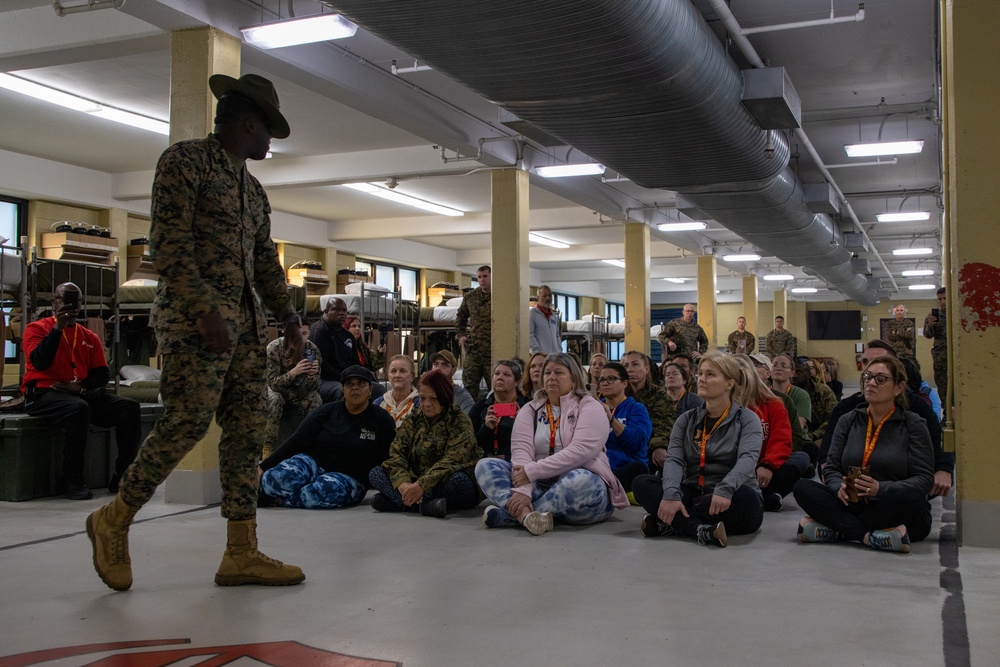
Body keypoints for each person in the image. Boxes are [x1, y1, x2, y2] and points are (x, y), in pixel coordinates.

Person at [86, 73, 305, 590]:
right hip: (194, 324)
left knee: (249, 430)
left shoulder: (253, 192)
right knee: (186, 424)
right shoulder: (185, 163)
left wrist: (291, 316)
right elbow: (167, 244)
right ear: (248, 122)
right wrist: (204, 308)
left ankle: (240, 551)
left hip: (245, 331)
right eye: (267, 130)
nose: (269, 141)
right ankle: (113, 519)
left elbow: (264, 263)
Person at [475, 353, 628, 535]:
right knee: (485, 466)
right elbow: (521, 451)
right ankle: (530, 515)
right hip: (538, 486)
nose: (551, 377)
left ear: (574, 380)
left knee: (581, 480)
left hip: (581, 494)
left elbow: (579, 452)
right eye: (547, 373)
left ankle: (516, 515)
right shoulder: (530, 409)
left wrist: (532, 472)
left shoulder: (590, 407)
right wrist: (523, 490)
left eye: (559, 373)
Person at [793, 356, 934, 553]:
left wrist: (880, 488)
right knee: (802, 487)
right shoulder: (847, 420)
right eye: (867, 377)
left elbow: (924, 479)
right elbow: (831, 467)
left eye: (881, 379)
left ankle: (839, 530)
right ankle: (868, 536)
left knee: (914, 499)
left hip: (891, 503)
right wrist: (837, 488)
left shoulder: (913, 424)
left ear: (899, 387)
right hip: (851, 502)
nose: (871, 383)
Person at [22, 282, 141, 500]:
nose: (69, 305)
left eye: (74, 300)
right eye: (64, 299)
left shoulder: (89, 336)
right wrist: (58, 328)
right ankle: (71, 479)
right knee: (78, 409)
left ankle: (124, 476)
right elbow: (40, 362)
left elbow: (101, 375)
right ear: (54, 303)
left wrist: (81, 388)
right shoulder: (36, 329)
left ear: (81, 304)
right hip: (44, 393)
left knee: (129, 408)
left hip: (78, 393)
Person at [632, 351, 764, 547]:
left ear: (729, 383)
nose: (702, 379)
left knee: (749, 501)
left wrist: (725, 489)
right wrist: (670, 494)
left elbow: (747, 459)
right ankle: (698, 529)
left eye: (710, 374)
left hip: (729, 495)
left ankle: (672, 523)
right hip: (693, 492)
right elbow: (674, 459)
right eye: (700, 373)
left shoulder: (747, 419)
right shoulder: (686, 419)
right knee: (642, 483)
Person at [818, 340, 952, 497]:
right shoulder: (846, 410)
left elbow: (938, 438)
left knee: (917, 498)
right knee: (806, 489)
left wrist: (944, 469)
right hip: (853, 490)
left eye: (878, 363)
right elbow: (827, 455)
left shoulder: (916, 408)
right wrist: (835, 483)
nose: (870, 368)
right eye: (866, 362)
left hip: (896, 489)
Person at [258, 366, 395, 508]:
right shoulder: (326, 411)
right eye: (349, 384)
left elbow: (388, 458)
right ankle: (258, 494)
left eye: (361, 384)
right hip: (314, 464)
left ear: (370, 390)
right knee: (275, 479)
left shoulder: (382, 419)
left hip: (351, 478)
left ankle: (279, 500)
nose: (355, 388)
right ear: (343, 390)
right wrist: (263, 467)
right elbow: (296, 441)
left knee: (322, 492)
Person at [368, 370, 482, 518]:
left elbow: (452, 461)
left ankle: (398, 502)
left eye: (433, 399)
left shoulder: (459, 421)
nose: (427, 404)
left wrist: (422, 485)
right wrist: (402, 483)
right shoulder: (413, 419)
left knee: (458, 481)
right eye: (422, 398)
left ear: (444, 397)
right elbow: (397, 453)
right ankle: (425, 506)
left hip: (443, 481)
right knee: (376, 473)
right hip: (415, 481)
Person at [731, 355, 800, 512]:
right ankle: (763, 500)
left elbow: (781, 440)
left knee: (796, 464)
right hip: (730, 468)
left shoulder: (774, 404)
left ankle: (755, 497)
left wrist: (768, 465)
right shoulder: (720, 405)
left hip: (761, 468)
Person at [263, 319, 322, 460]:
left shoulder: (312, 350)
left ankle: (309, 444)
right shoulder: (274, 349)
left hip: (298, 391)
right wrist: (293, 373)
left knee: (315, 399)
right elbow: (272, 384)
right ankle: (268, 446)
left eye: (305, 333)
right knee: (275, 399)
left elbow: (314, 387)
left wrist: (311, 376)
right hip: (277, 390)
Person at [598, 362, 652, 496]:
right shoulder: (593, 408)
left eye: (611, 379)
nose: (605, 383)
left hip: (625, 466)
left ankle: (602, 489)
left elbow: (636, 442)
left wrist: (611, 419)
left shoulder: (636, 409)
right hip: (600, 466)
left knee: (638, 469)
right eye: (602, 379)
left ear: (624, 383)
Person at [622, 350, 677, 471]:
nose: (630, 369)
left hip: (647, 448)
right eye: (626, 366)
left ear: (646, 369)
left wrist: (659, 447)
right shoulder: (618, 396)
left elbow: (664, 426)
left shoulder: (659, 396)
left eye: (635, 364)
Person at [469, 360, 530, 460]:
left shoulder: (528, 406)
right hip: (485, 460)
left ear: (517, 381)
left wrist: (523, 424)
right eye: (496, 374)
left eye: (506, 375)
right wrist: (486, 428)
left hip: (518, 460)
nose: (500, 377)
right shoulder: (480, 407)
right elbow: (470, 444)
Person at [310, 298, 360, 403]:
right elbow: (322, 366)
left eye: (344, 310)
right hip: (320, 380)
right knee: (343, 390)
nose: (341, 313)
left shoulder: (348, 335)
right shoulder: (318, 331)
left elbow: (355, 362)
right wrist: (346, 379)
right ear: (326, 312)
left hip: (346, 378)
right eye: (336, 310)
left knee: (377, 388)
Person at [456, 265, 492, 401]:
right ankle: (470, 417)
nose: (482, 280)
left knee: (495, 388)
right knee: (469, 386)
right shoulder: (471, 297)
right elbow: (461, 316)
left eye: (485, 276)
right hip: (474, 350)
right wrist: (461, 334)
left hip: (492, 351)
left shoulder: (500, 297)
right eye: (479, 277)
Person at [793, 356, 838, 443]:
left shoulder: (822, 391)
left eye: (799, 372)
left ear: (808, 374)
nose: (794, 376)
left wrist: (814, 435)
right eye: (793, 372)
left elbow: (833, 417)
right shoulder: (789, 391)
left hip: (819, 435)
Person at [373, 355, 419, 427]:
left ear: (412, 376)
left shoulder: (420, 404)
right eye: (393, 371)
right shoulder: (378, 404)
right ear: (388, 376)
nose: (397, 375)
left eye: (402, 371)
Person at [923, 287, 948, 411]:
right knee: (942, 385)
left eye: (945, 298)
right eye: (940, 299)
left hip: (957, 355)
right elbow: (927, 335)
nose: (942, 301)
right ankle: (947, 411)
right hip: (941, 357)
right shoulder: (932, 316)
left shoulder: (958, 314)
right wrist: (930, 326)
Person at [529, 284, 562, 355]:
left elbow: (557, 335)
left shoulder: (553, 316)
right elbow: (529, 335)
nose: (548, 298)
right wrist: (538, 352)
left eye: (549, 296)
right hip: (541, 357)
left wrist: (559, 350)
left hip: (554, 356)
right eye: (544, 296)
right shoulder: (533, 313)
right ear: (538, 298)